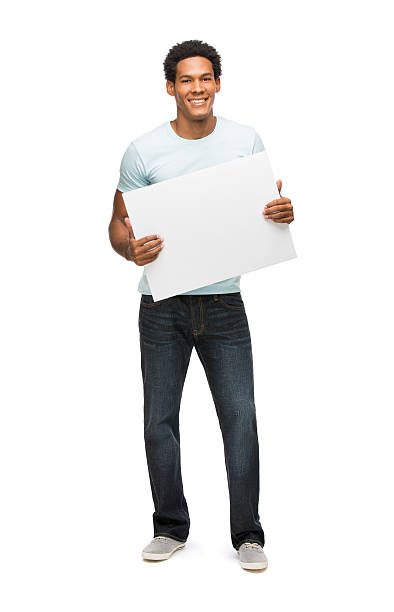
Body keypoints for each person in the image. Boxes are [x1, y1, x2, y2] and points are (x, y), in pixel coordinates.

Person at [108, 40, 294, 571]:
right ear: (171, 87)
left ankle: (248, 535)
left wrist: (280, 215)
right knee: (159, 420)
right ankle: (169, 527)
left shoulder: (244, 140)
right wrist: (129, 248)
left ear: (216, 83)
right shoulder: (142, 151)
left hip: (225, 306)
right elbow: (119, 224)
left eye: (205, 78)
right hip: (161, 307)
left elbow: (263, 210)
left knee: (240, 417)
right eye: (186, 80)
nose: (197, 88)